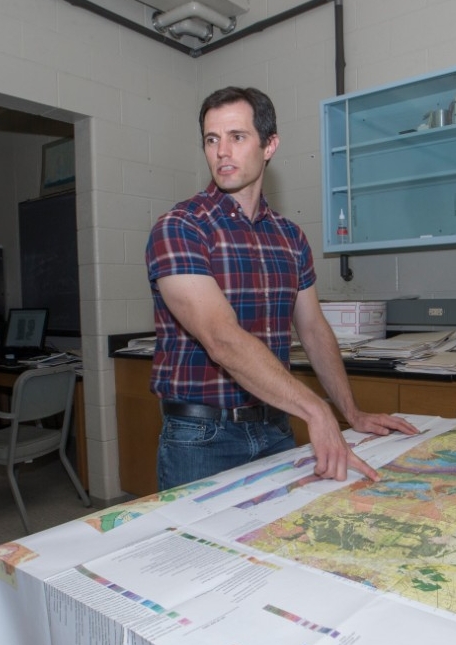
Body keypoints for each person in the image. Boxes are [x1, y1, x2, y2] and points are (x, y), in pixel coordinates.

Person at [146, 86, 417, 490]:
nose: (222, 152)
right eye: (211, 139)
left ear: (269, 145)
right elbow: (221, 339)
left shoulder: (290, 237)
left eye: (237, 137)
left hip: (277, 426)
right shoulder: (180, 227)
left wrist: (351, 413)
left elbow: (312, 328)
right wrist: (316, 410)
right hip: (202, 439)